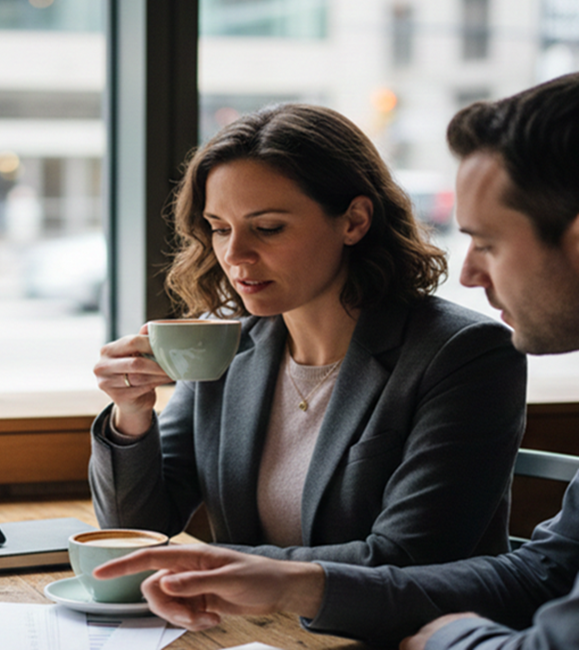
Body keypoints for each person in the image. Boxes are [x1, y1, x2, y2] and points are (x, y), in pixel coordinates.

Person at [92, 73, 579, 649]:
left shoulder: (462, 351)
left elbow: (412, 558)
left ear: (353, 221)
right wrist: (131, 413)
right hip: (263, 632)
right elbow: (139, 525)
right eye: (218, 229)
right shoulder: (230, 344)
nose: (233, 255)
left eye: (268, 228)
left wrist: (216, 564)